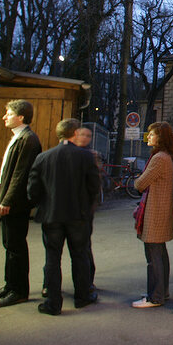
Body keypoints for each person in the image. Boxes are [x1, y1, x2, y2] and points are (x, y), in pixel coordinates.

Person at [27, 118, 100, 316]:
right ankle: (82, 296)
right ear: (75, 133)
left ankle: (52, 302)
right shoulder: (85, 157)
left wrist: (42, 203)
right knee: (79, 255)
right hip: (78, 216)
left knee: (52, 258)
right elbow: (94, 186)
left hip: (51, 216)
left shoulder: (43, 157)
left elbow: (33, 190)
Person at [0, 100, 42, 308]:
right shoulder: (19, 137)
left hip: (17, 203)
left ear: (21, 117)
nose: (4, 117)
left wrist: (7, 200)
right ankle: (10, 285)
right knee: (9, 244)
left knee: (16, 246)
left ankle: (19, 290)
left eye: (8, 114)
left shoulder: (28, 139)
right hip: (11, 200)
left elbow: (20, 174)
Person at [132, 122, 173, 308]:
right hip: (159, 210)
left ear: (161, 138)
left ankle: (155, 296)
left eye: (152, 134)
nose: (148, 137)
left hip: (155, 211)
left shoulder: (159, 159)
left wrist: (136, 181)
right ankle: (161, 292)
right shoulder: (165, 157)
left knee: (154, 256)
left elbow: (140, 184)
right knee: (160, 253)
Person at [70, 125, 101, 291]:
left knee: (84, 245)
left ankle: (88, 280)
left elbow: (94, 186)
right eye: (82, 134)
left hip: (84, 209)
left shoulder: (91, 156)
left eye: (88, 135)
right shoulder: (71, 153)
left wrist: (90, 207)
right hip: (74, 208)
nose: (84, 138)